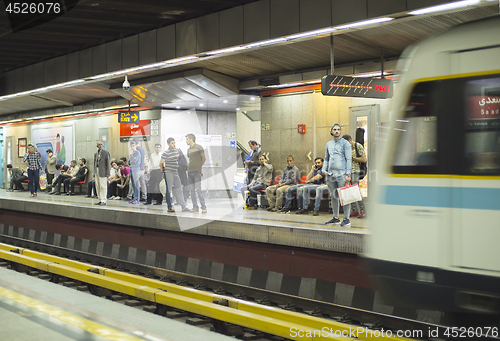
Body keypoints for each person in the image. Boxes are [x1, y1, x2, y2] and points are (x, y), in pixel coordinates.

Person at [323, 123, 352, 227]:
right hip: (331, 174)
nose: (336, 131)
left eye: (338, 129)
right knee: (334, 196)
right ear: (331, 131)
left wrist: (348, 174)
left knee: (344, 196)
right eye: (334, 129)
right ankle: (336, 218)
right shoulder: (328, 144)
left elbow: (349, 159)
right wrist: (323, 170)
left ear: (340, 131)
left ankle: (346, 219)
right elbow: (326, 158)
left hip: (342, 174)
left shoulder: (346, 144)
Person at [342, 134, 367, 219]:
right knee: (349, 191)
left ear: (350, 140)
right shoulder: (345, 148)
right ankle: (354, 210)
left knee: (355, 190)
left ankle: (363, 210)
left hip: (355, 171)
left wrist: (353, 158)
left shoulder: (358, 146)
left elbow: (364, 159)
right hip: (347, 172)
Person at [161, 138, 189, 212]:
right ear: (168, 144)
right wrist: (163, 171)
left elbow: (177, 159)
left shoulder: (176, 151)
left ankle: (183, 206)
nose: (174, 144)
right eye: (172, 143)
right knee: (169, 190)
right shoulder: (166, 153)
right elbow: (161, 163)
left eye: (174, 143)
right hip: (168, 172)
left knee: (179, 189)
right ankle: (170, 207)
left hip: (175, 172)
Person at [186, 133, 207, 213]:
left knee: (198, 189)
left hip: (197, 172)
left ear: (191, 139)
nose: (186, 141)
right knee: (192, 190)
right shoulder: (188, 150)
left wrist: (199, 168)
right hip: (190, 171)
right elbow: (191, 159)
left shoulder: (199, 147)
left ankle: (203, 206)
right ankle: (195, 207)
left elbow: (203, 158)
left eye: (187, 139)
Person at [93, 141, 110, 206]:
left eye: (101, 144)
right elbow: (94, 163)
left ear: (103, 145)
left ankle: (104, 200)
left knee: (103, 186)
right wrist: (94, 172)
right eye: (99, 144)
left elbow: (108, 163)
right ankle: (100, 199)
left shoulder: (106, 153)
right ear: (97, 146)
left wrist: (108, 172)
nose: (100, 146)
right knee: (97, 185)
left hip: (103, 171)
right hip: (97, 170)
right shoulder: (96, 154)